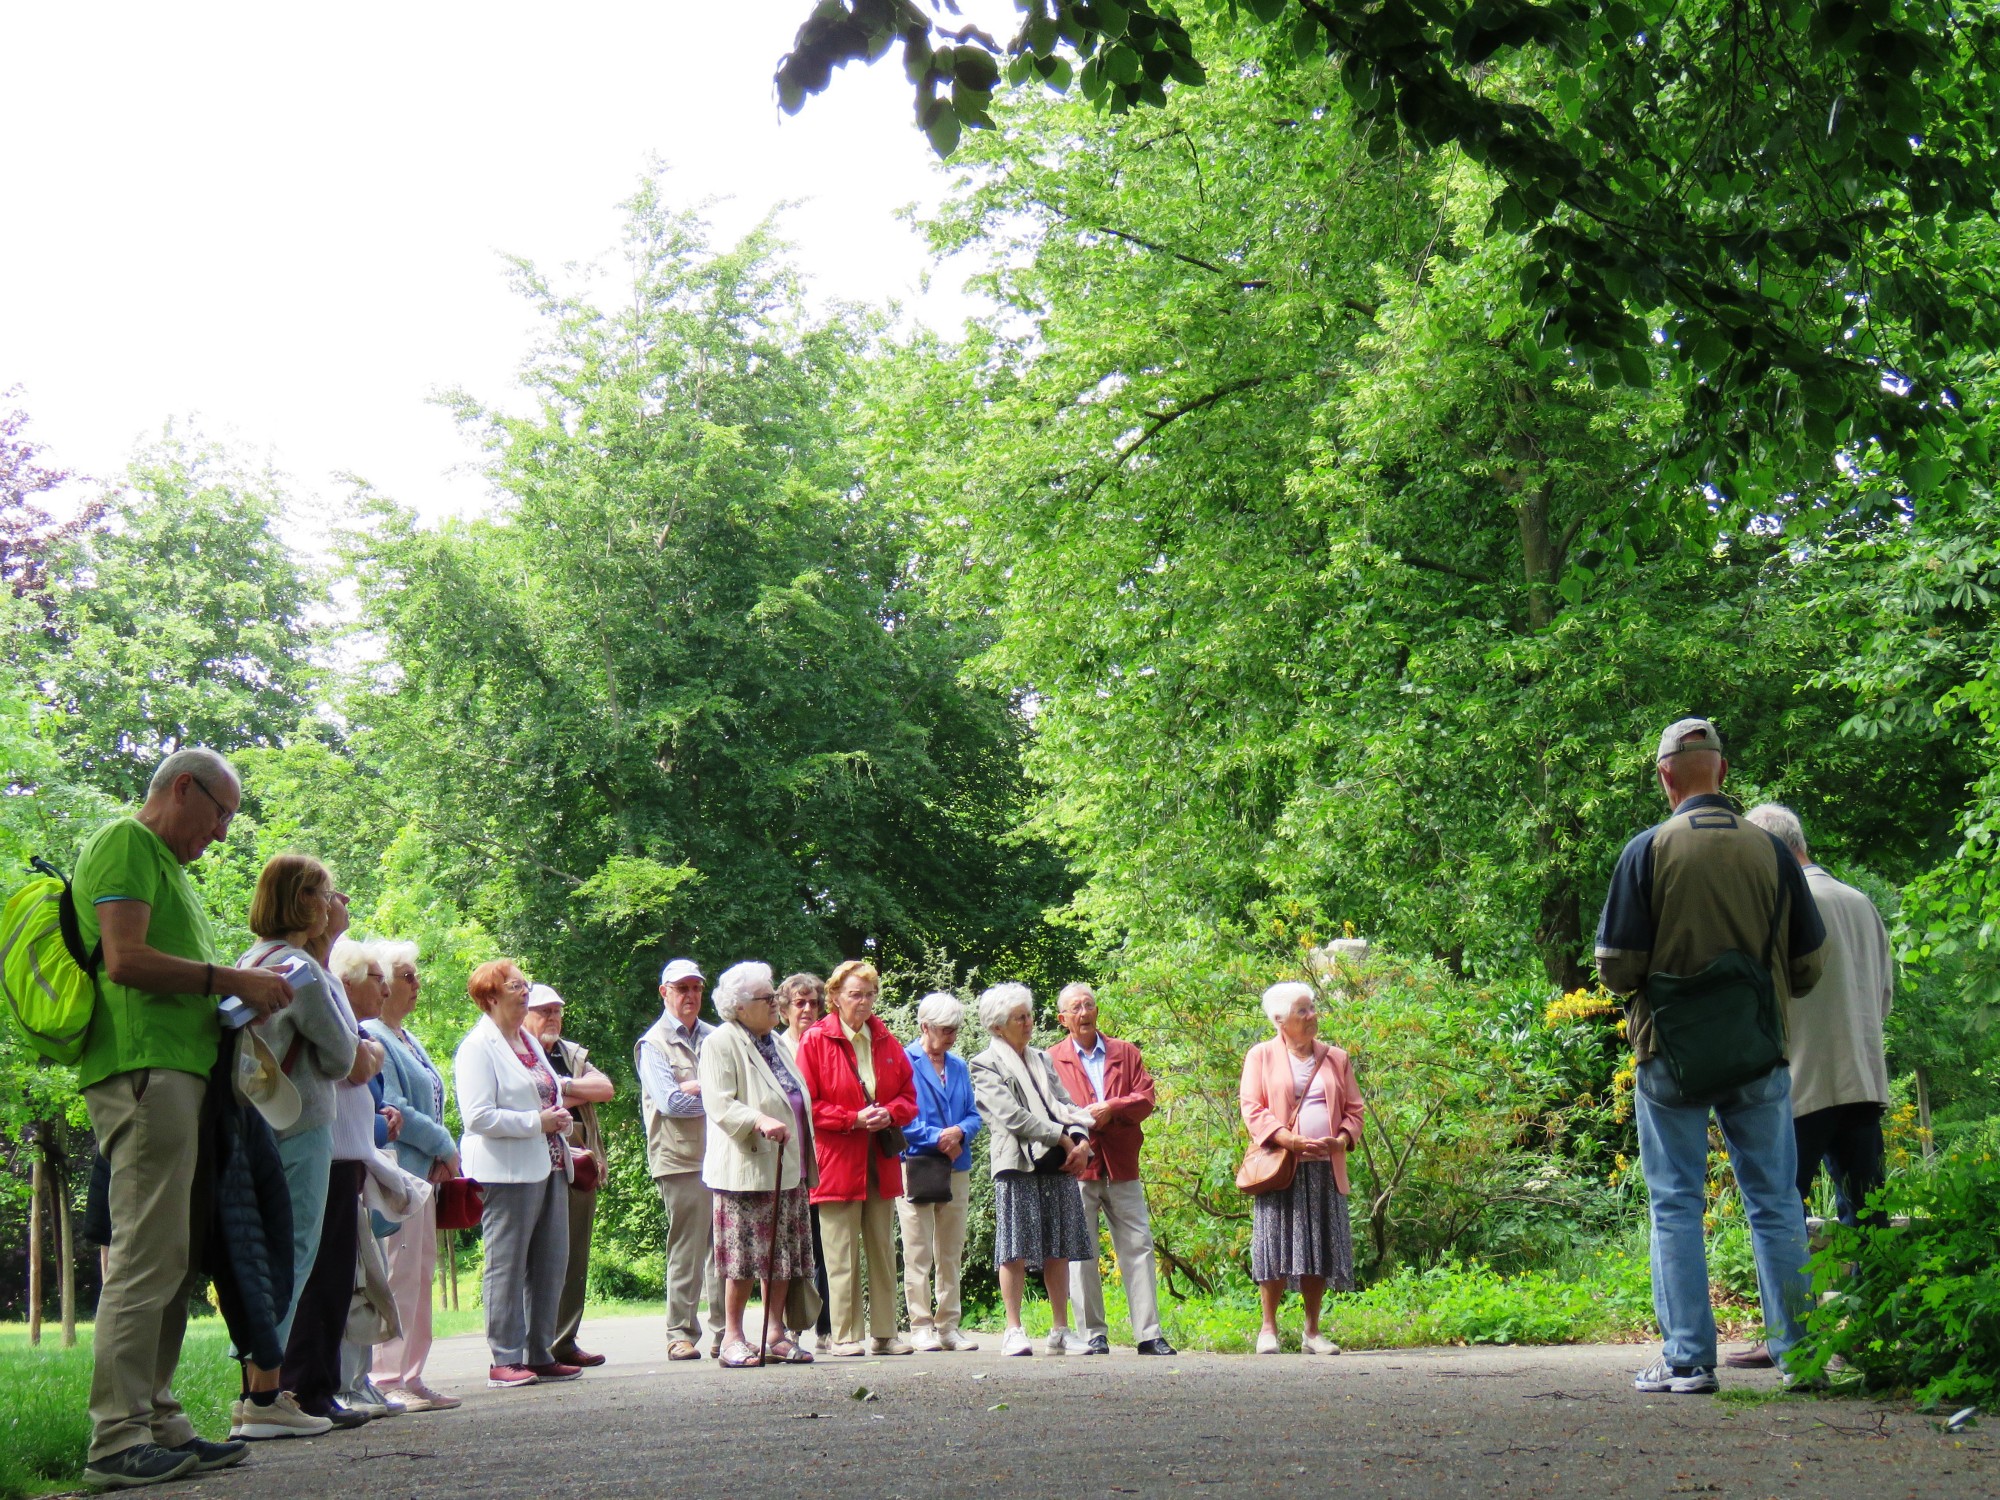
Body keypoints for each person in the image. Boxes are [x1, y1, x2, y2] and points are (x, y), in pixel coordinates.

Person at [72, 748, 293, 1489]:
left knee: (174, 1257)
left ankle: (159, 1421)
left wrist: (237, 998)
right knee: (145, 1257)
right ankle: (116, 1438)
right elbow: (126, 959)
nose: (224, 833)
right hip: (144, 1075)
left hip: (184, 1080)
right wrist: (228, 979)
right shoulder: (124, 843)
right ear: (182, 788)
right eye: (222, 812)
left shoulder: (170, 872)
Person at [1595, 717, 1827, 1394]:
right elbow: (1809, 964)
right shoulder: (1774, 853)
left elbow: (1616, 965)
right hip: (1758, 1052)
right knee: (1776, 1202)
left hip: (1670, 1053)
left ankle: (1690, 1361)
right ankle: (1800, 1357)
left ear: (1665, 775)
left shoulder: (1647, 850)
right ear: (1722, 772)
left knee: (1675, 1202)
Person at [1722, 803, 1894, 1370]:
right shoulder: (1859, 902)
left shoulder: (1786, 906)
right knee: (1865, 1211)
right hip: (1864, 1078)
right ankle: (1876, 1329)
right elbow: (1884, 993)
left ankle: (1793, 1333)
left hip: (1801, 1082)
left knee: (1779, 1210)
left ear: (1772, 851)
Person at [235, 854, 364, 1436]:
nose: (328, 903)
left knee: (256, 1258)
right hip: (302, 1123)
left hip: (254, 1124)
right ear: (300, 900)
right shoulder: (302, 970)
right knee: (295, 1253)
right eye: (322, 892)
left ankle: (255, 1390)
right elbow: (341, 1056)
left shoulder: (251, 960)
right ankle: (269, 1396)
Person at [275, 889, 384, 1428]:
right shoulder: (311, 972)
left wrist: (364, 1050)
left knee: (334, 1273)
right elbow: (352, 1062)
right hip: (323, 1141)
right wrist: (364, 1050)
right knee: (317, 1271)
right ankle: (300, 1389)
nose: (341, 899)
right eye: (327, 892)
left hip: (338, 1145)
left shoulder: (316, 970)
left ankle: (314, 1386)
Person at [455, 960, 580, 1389]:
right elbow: (477, 1117)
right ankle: (504, 1358)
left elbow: (547, 1091)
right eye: (514, 986)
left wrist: (558, 1125)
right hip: (506, 1170)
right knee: (506, 1265)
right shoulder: (477, 1047)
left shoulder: (526, 1040)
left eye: (525, 984)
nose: (524, 992)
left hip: (550, 1163)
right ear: (490, 997)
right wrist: (536, 1123)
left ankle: (539, 1352)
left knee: (551, 1261)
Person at [698, 961, 820, 1367]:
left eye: (773, 996)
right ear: (740, 1006)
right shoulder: (720, 1043)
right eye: (767, 998)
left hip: (787, 1168)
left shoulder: (778, 1043)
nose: (775, 1003)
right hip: (746, 1170)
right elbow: (718, 1102)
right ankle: (733, 1337)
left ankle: (774, 1334)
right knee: (741, 1259)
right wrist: (758, 1119)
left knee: (781, 1255)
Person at [796, 959, 920, 1356]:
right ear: (834, 997)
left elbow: (908, 1097)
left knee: (882, 1248)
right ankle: (844, 1335)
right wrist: (852, 1118)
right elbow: (805, 1105)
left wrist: (890, 1113)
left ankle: (885, 1334)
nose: (864, 1002)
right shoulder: (815, 1040)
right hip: (836, 1157)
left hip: (878, 1156)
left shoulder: (886, 1038)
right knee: (839, 1250)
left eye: (869, 994)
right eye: (855, 994)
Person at [968, 982, 1097, 1358]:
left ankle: (1060, 1330)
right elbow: (1010, 1116)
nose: (1029, 1023)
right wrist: (1062, 1138)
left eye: (1029, 1015)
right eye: (1019, 1018)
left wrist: (1080, 1139)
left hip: (1057, 1162)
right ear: (997, 1027)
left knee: (1059, 1245)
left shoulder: (1041, 1058)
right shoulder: (983, 1063)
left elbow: (1065, 1103)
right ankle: (1013, 1329)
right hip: (1017, 1164)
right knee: (1014, 1248)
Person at [1049, 982, 1176, 1356]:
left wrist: (1113, 1108)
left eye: (1089, 1005)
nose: (1084, 1012)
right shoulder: (1051, 1058)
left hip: (1122, 1164)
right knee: (1080, 1252)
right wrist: (1078, 1130)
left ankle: (1149, 1334)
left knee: (1138, 1246)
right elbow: (1050, 1108)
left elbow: (1145, 1099)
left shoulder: (1126, 1052)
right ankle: (1093, 1334)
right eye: (1076, 1008)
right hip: (1077, 1166)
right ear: (1063, 1019)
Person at [1239, 981, 1365, 1355]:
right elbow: (1252, 1108)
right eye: (1303, 1011)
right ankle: (1268, 1330)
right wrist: (1287, 1138)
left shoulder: (1336, 1057)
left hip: (1324, 1167)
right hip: (1281, 1166)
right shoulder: (1260, 1056)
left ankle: (1312, 1332)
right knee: (1274, 1245)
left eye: (1312, 1008)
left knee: (1319, 1248)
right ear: (1280, 1020)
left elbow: (1355, 1109)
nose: (1312, 1016)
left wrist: (1341, 1139)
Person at [362, 940, 461, 1412]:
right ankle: (386, 1377)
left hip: (421, 1176)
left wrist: (440, 1156)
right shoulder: (373, 1033)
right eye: (407, 977)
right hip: (394, 1173)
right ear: (381, 983)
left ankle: (413, 1374)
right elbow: (395, 1106)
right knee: (398, 1273)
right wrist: (445, 1145)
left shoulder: (406, 1036)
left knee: (421, 1274)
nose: (417, 984)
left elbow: (429, 1099)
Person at [325, 940, 405, 1421]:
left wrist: (383, 1120)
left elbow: (364, 1105)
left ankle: (357, 1381)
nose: (388, 987)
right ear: (350, 981)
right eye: (379, 978)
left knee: (360, 1280)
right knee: (348, 1281)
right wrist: (382, 1123)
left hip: (358, 1166)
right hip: (337, 1165)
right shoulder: (348, 1032)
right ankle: (344, 1384)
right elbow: (340, 1102)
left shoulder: (355, 1030)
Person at [523, 982, 616, 1368]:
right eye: (544, 1011)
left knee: (573, 1253)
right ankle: (530, 1347)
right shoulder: (517, 1052)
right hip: (534, 1155)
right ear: (523, 1013)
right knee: (532, 1256)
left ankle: (564, 1341)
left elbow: (606, 1088)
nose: (552, 1018)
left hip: (579, 1158)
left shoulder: (570, 1053)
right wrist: (568, 1094)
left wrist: (560, 1087)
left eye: (557, 1011)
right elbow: (527, 1098)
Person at [637, 958, 723, 1361]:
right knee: (687, 1248)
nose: (690, 995)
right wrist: (717, 1094)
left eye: (696, 988)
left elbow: (740, 1090)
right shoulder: (652, 1043)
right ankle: (680, 1334)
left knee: (725, 1248)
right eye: (681, 988)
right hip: (680, 1159)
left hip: (724, 1155)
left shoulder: (718, 1036)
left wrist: (698, 1088)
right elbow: (671, 1103)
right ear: (664, 992)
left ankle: (727, 1331)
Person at [897, 992, 982, 1352]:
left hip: (956, 1165)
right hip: (917, 1164)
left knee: (950, 1249)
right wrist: (939, 1137)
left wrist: (960, 1132)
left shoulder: (959, 1066)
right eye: (945, 1030)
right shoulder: (903, 1060)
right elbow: (900, 1116)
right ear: (924, 1027)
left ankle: (948, 1325)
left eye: (955, 1030)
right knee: (917, 1249)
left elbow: (975, 1115)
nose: (952, 1036)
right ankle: (920, 1325)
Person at [774, 971, 832, 1344]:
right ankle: (790, 1326)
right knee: (791, 1245)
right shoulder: (776, 1049)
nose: (808, 1009)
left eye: (813, 1003)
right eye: (800, 1003)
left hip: (823, 1158)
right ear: (783, 1010)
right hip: (785, 1161)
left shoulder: (827, 1045)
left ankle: (827, 1327)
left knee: (824, 1245)